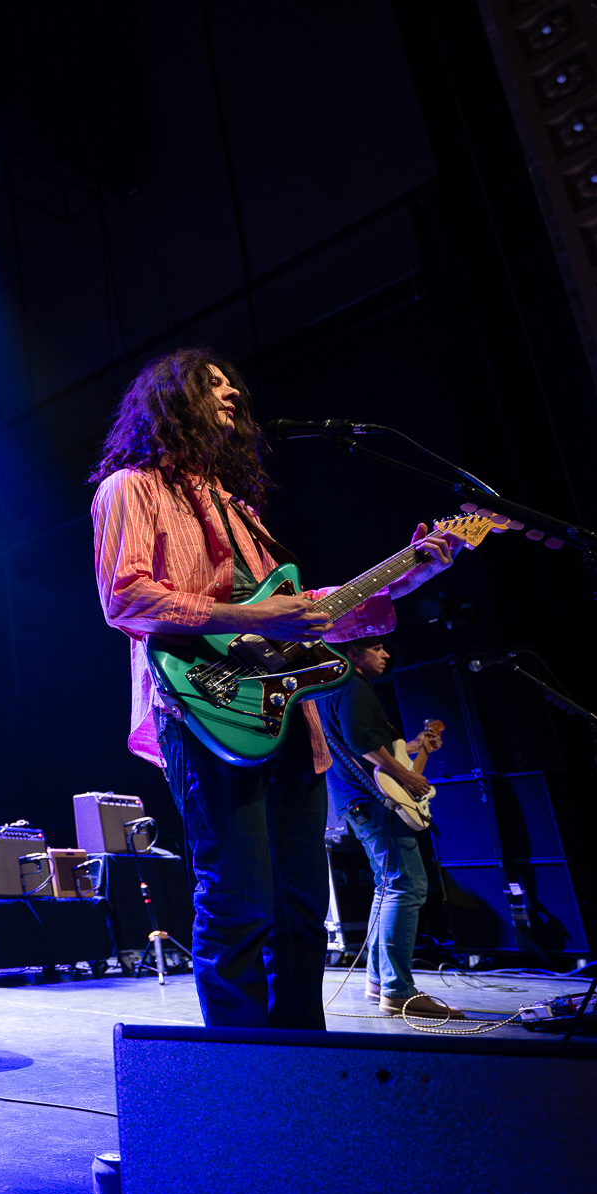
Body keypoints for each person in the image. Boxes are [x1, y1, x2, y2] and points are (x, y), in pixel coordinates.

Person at [91, 348, 463, 1029]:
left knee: (297, 907)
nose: (233, 390)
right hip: (205, 709)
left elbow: (307, 611)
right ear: (172, 401)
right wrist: (252, 616)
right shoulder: (131, 488)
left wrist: (409, 570)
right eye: (213, 383)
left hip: (290, 718)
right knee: (239, 900)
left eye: (232, 381)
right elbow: (127, 598)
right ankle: (242, 1075)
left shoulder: (238, 508)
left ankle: (301, 1062)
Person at [319, 639, 463, 1020]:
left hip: (358, 800)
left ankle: (379, 983)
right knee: (406, 886)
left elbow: (367, 741)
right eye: (377, 647)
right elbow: (361, 741)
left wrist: (414, 746)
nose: (386, 654)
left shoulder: (331, 683)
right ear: (352, 651)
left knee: (389, 888)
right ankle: (399, 991)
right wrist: (406, 776)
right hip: (375, 800)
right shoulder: (351, 683)